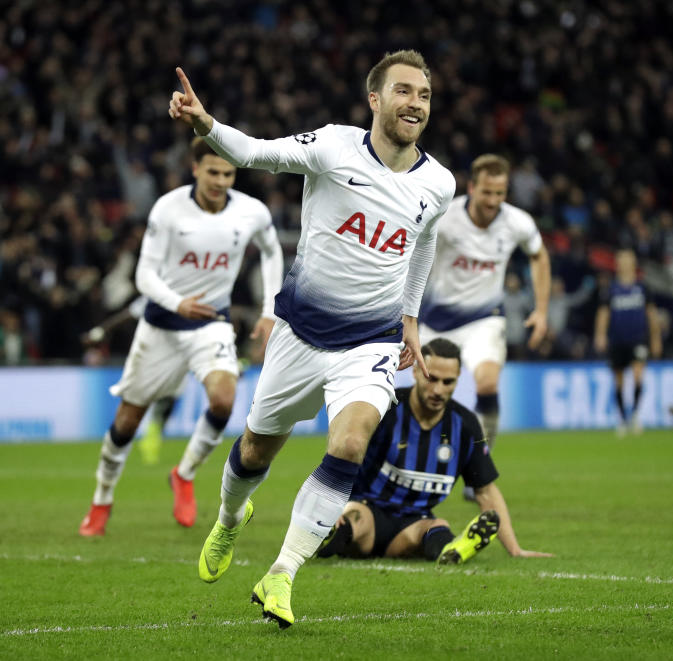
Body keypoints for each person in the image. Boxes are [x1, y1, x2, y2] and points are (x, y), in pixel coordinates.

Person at [168, 50, 455, 629]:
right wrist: (205, 125)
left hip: (369, 344)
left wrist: (410, 316)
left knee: (349, 443)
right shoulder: (332, 146)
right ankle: (228, 519)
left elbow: (423, 244)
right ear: (374, 98)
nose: (415, 104)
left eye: (423, 95)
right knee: (254, 450)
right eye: (403, 92)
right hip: (300, 335)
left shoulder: (439, 183)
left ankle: (282, 573)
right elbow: (254, 152)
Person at [79, 137, 284, 535]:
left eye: (227, 173)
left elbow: (273, 251)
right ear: (195, 169)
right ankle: (102, 499)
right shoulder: (169, 209)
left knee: (224, 401)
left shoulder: (251, 212)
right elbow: (144, 275)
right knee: (127, 421)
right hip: (162, 326)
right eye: (212, 172)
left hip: (212, 323)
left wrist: (269, 310)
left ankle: (184, 474)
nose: (220, 181)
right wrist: (177, 303)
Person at [315, 338, 553, 565]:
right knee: (354, 520)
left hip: (414, 523)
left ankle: (453, 550)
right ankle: (330, 533)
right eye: (432, 378)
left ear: (458, 380)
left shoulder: (465, 425)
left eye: (448, 382)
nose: (439, 390)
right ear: (416, 371)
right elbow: (343, 450)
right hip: (368, 508)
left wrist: (515, 549)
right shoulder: (385, 406)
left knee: (437, 526)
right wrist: (331, 505)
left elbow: (486, 491)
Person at [419, 154, 550, 498]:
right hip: (434, 323)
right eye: (487, 193)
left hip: (483, 320)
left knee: (488, 383)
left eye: (500, 193)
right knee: (427, 394)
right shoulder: (445, 217)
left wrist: (542, 310)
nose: (493, 202)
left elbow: (539, 254)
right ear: (472, 187)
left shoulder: (517, 223)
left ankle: (480, 466)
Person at [81, 295, 183, 465]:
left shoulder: (189, 293)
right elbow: (128, 314)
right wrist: (100, 331)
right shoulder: (157, 294)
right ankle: (137, 438)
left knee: (169, 399)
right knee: (144, 399)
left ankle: (152, 435)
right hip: (154, 354)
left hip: (179, 356)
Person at [593, 249, 662, 435]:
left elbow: (652, 314)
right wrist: (600, 335)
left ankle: (636, 414)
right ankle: (623, 419)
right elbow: (603, 314)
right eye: (621, 260)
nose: (624, 263)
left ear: (633, 264)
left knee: (639, 374)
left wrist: (655, 338)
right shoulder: (611, 290)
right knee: (619, 380)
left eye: (627, 260)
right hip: (617, 339)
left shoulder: (642, 288)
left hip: (638, 338)